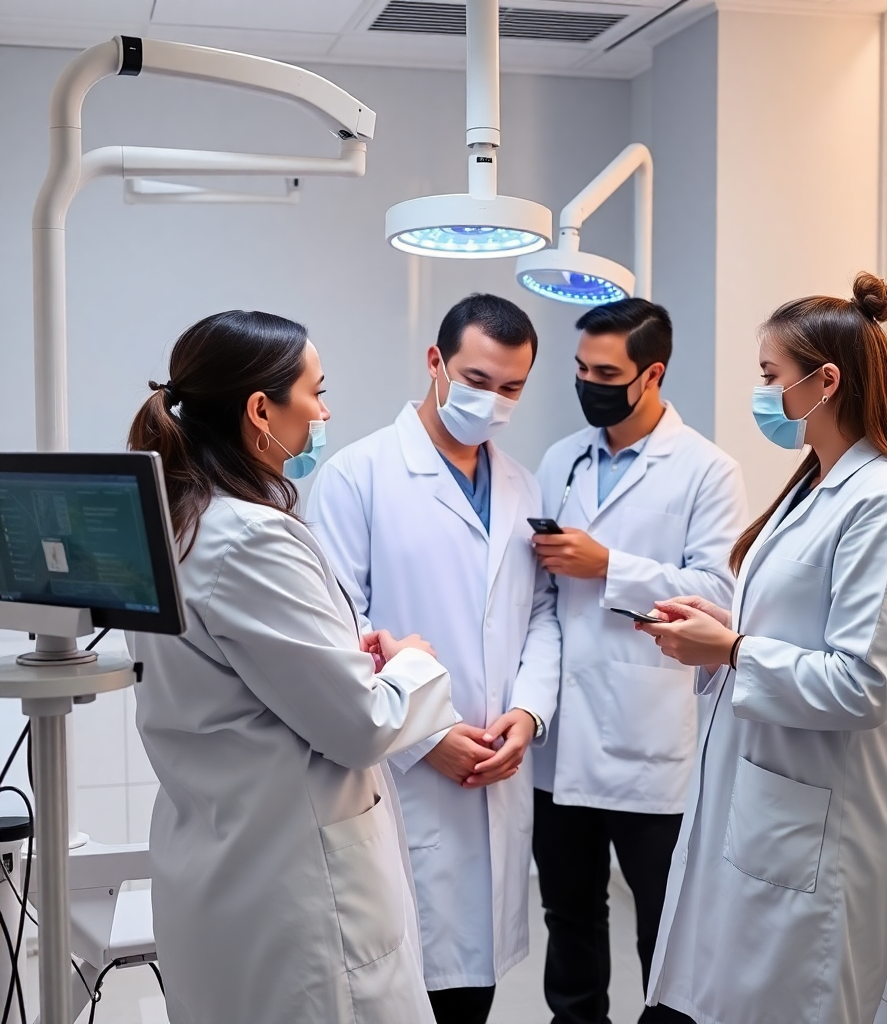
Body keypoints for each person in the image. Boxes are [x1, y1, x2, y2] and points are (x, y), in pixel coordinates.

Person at [127, 310, 459, 1024]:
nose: (325, 410)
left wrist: (345, 647)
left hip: (222, 864)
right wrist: (414, 666)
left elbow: (246, 673)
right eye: (316, 390)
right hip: (297, 893)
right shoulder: (250, 538)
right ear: (259, 409)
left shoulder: (179, 519)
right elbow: (363, 726)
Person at [637, 273, 887, 1024]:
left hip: (814, 836)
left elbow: (865, 684)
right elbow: (794, 630)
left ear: (825, 381)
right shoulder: (815, 484)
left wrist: (737, 649)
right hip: (762, 812)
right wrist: (719, 633)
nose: (762, 392)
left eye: (771, 376)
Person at [307, 293, 561, 1024]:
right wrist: (426, 736)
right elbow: (337, 630)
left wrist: (529, 714)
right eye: (477, 380)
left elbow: (541, 613)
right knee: (395, 983)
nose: (492, 400)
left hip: (497, 764)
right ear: (435, 363)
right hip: (400, 772)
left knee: (468, 991)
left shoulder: (520, 485)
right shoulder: (359, 477)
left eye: (511, 388)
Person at [529, 298, 747, 1024]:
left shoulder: (706, 470)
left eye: (607, 372)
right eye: (581, 368)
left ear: (651, 374)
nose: (589, 382)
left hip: (650, 736)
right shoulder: (562, 458)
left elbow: (718, 592)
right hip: (561, 739)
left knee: (665, 926)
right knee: (569, 918)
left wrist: (609, 565)